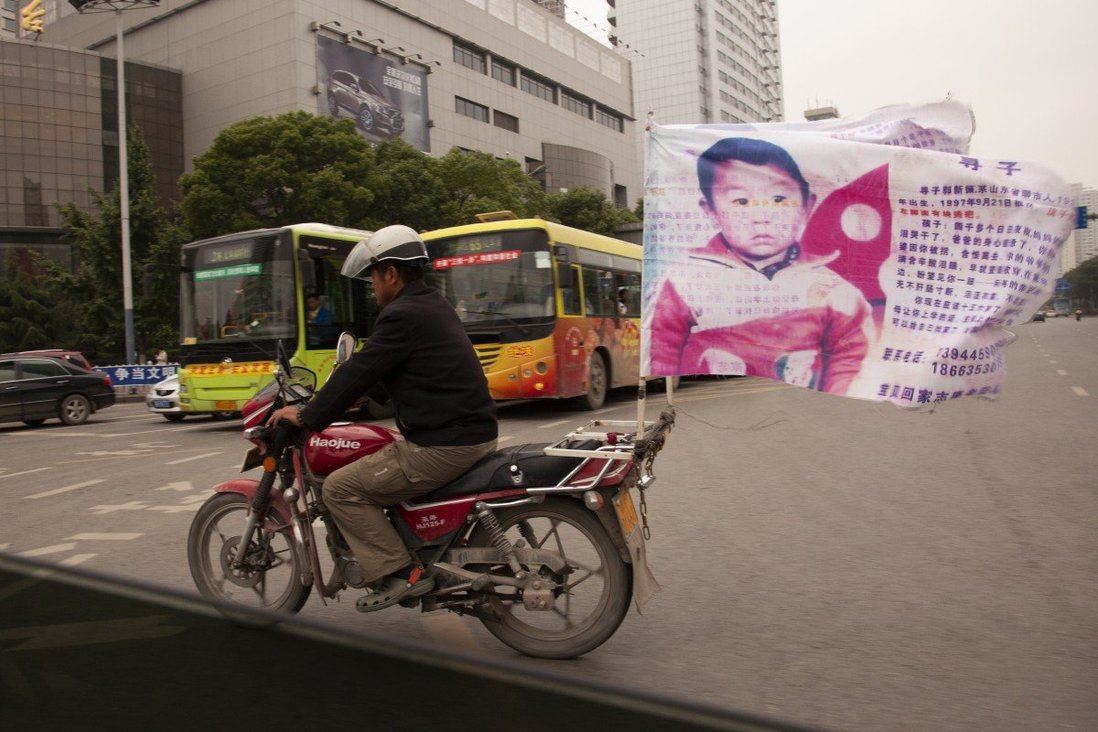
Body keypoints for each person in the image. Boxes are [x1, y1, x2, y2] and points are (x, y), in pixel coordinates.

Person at [267, 225, 498, 612]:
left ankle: (403, 573)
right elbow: (384, 375)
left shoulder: (401, 315)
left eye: (373, 277)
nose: (373, 287)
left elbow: (360, 369)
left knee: (339, 489)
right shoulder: (432, 305)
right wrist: (352, 391)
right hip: (468, 433)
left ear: (390, 273)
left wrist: (308, 415)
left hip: (444, 444)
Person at [648, 137, 872, 395]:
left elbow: (850, 360)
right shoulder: (683, 283)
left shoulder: (834, 290)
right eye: (741, 201)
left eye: (778, 198)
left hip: (809, 413)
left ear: (806, 205)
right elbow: (661, 353)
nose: (762, 216)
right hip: (719, 411)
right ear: (709, 210)